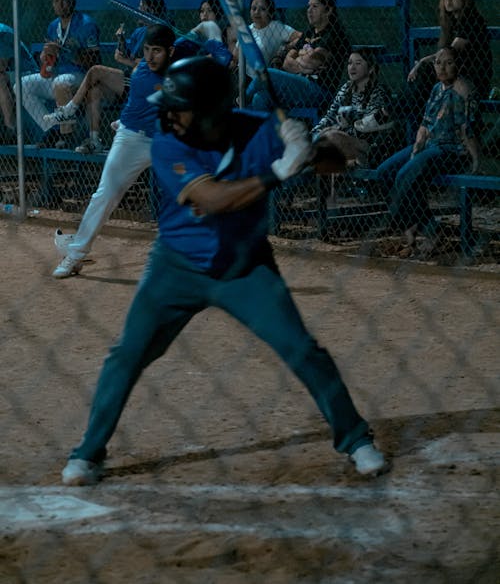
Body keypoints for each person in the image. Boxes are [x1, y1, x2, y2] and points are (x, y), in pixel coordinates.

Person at [60, 55, 388, 486]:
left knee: (303, 349)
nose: (169, 115)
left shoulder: (258, 128)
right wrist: (278, 171)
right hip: (175, 267)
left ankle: (355, 438)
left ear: (213, 110)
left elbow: (341, 159)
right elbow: (212, 200)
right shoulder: (167, 142)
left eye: (181, 107)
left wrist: (311, 149)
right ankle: (89, 452)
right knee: (127, 355)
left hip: (245, 266)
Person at [52, 24, 175, 279]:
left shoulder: (179, 73)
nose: (150, 57)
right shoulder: (143, 73)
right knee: (105, 194)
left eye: (157, 51)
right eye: (147, 50)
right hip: (133, 140)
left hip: (165, 142)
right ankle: (75, 256)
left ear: (170, 51)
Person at [373, 46, 479, 256]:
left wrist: (475, 159)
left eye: (448, 62)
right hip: (430, 146)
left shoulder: (462, 89)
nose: (442, 67)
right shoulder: (436, 88)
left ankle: (424, 232)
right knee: (384, 172)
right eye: (438, 62)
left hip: (450, 150)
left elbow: (467, 129)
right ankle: (415, 227)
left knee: (405, 175)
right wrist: (417, 146)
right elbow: (426, 122)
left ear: (459, 65)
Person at [44, 0, 172, 154]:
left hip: (142, 81)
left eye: (141, 8)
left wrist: (127, 61)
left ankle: (69, 109)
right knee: (94, 89)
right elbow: (123, 56)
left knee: (96, 70)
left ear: (151, 11)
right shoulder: (139, 32)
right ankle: (94, 140)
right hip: (126, 80)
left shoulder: (163, 30)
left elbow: (150, 64)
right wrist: (122, 42)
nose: (137, 11)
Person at [19, 0, 101, 148]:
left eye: (64, 0)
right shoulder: (52, 26)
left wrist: (65, 51)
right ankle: (53, 129)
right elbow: (48, 65)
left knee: (61, 81)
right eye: (56, 1)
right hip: (57, 75)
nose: (60, 5)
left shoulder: (86, 23)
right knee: (21, 85)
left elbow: (95, 61)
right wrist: (46, 56)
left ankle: (67, 135)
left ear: (73, 2)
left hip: (80, 78)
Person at [246, 0, 350, 114]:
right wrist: (303, 60)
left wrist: (300, 56)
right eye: (308, 6)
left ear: (328, 10)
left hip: (319, 90)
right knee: (261, 98)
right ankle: (263, 132)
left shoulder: (334, 34)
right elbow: (287, 63)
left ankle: (241, 101)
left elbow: (312, 62)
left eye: (315, 6)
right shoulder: (309, 31)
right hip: (298, 86)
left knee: (267, 73)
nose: (309, 10)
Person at [407, 0, 493, 102]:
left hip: (471, 78)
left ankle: (397, 110)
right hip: (450, 73)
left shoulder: (472, 20)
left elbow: (448, 54)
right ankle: (407, 111)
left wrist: (421, 61)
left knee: (426, 71)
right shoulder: (450, 23)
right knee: (425, 77)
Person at [311, 48, 394, 164]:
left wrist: (338, 130)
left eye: (358, 63)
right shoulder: (346, 88)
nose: (352, 67)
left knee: (331, 139)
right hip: (341, 137)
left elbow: (368, 130)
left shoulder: (378, 92)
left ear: (370, 69)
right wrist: (316, 132)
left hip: (367, 145)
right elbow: (330, 115)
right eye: (350, 63)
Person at [234, 0, 299, 79]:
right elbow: (235, 57)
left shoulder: (276, 27)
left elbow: (301, 37)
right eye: (254, 8)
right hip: (240, 75)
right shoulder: (247, 30)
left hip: (260, 79)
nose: (257, 12)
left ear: (271, 12)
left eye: (262, 9)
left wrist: (286, 48)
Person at [0, 22, 37, 139]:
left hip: (26, 73)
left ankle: (10, 129)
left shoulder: (2, 33)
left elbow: (2, 66)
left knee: (0, 78)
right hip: (10, 74)